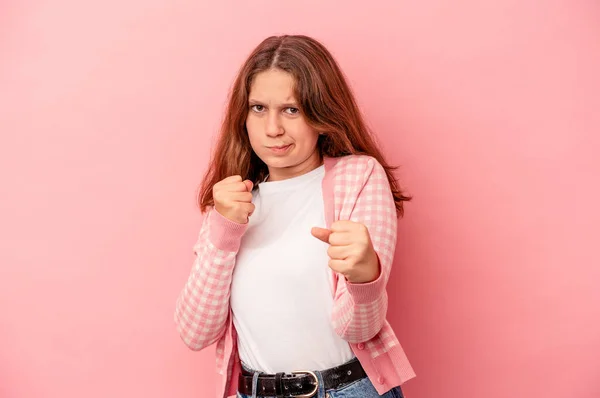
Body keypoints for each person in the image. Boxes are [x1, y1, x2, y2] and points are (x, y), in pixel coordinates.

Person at [174, 34, 416, 398]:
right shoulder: (233, 200)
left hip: (344, 389)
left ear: (321, 114)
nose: (273, 128)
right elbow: (195, 332)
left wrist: (366, 278)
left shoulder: (358, 177)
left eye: (292, 109)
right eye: (258, 108)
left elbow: (359, 329)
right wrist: (224, 232)